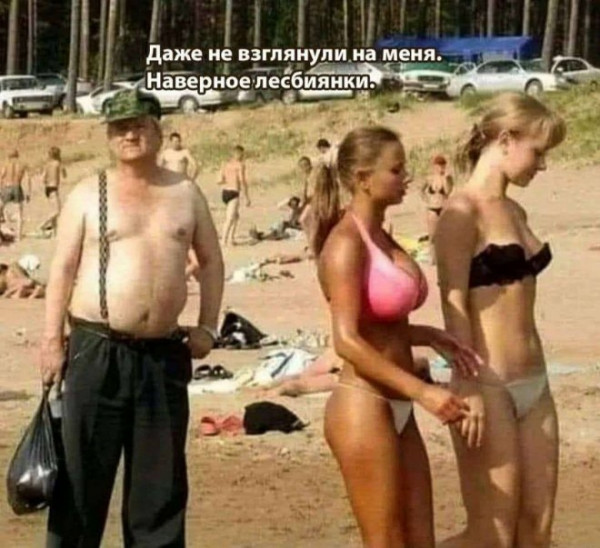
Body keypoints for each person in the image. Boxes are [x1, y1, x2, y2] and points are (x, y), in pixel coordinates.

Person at [39, 88, 225, 548]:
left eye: (139, 125)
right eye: (120, 128)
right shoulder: (88, 193)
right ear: (108, 136)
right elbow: (62, 269)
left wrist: (207, 326)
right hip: (96, 350)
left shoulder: (185, 193)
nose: (129, 135)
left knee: (160, 489)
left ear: (158, 132)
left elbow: (211, 261)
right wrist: (51, 341)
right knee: (81, 480)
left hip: (163, 356)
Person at [312, 125, 482, 547]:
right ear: (363, 178)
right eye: (396, 169)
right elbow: (346, 340)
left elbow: (380, 321)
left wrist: (427, 334)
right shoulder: (346, 243)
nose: (406, 177)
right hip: (363, 403)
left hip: (397, 404)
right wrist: (423, 392)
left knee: (421, 539)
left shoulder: (382, 235)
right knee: (385, 541)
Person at [434, 93, 566, 548]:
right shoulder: (460, 212)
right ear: (506, 140)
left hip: (536, 383)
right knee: (490, 537)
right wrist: (467, 384)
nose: (542, 165)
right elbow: (452, 300)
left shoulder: (514, 210)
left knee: (536, 532)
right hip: (488, 384)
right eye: (538, 152)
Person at [421, 154, 454, 264]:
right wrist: (426, 199)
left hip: (443, 207)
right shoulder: (429, 178)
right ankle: (433, 258)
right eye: (439, 165)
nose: (441, 168)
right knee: (432, 235)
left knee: (445, 235)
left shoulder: (448, 178)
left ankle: (444, 257)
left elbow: (448, 192)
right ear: (434, 166)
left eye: (442, 165)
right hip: (432, 208)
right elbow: (421, 190)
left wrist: (445, 179)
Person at [218, 145, 250, 246]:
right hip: (234, 192)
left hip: (225, 191)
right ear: (239, 154)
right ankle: (224, 240)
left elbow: (219, 180)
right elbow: (242, 180)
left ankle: (231, 239)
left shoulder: (226, 164)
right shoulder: (240, 165)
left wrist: (228, 179)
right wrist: (247, 196)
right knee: (230, 218)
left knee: (236, 216)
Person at [0, 150, 31, 240]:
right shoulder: (22, 165)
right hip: (17, 187)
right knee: (19, 212)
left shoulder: (6, 164)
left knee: (1, 207)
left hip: (6, 187)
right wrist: (28, 192)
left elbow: (1, 177)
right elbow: (28, 179)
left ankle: (4, 229)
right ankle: (19, 236)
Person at [40, 147, 68, 236]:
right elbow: (65, 175)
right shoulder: (58, 163)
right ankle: (43, 224)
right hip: (53, 188)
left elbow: (42, 178)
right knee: (57, 211)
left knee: (53, 209)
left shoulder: (47, 164)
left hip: (48, 188)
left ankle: (55, 232)